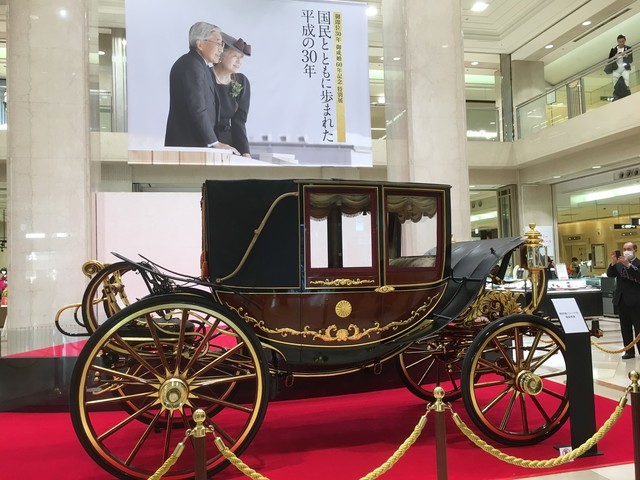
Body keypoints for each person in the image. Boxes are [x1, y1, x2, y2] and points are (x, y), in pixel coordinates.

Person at [164, 22, 239, 153]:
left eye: (222, 45)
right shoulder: (191, 65)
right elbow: (197, 107)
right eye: (218, 43)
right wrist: (214, 142)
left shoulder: (200, 65)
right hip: (188, 145)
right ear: (200, 44)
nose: (221, 49)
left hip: (195, 145)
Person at [213, 33, 252, 157]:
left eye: (241, 57)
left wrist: (245, 152)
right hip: (205, 142)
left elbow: (239, 121)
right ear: (221, 54)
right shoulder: (205, 76)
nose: (239, 61)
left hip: (228, 145)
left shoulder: (241, 81)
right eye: (235, 56)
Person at [607, 242, 640, 359]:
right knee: (625, 328)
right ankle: (629, 351)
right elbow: (610, 274)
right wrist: (613, 262)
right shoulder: (619, 264)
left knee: (638, 327)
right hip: (622, 300)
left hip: (636, 301)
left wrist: (629, 265)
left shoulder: (638, 263)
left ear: (635, 250)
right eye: (624, 249)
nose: (626, 251)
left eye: (629, 249)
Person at [608, 34, 633, 100]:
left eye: (623, 41)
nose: (621, 43)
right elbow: (609, 60)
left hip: (625, 68)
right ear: (617, 42)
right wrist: (615, 57)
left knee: (626, 81)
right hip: (616, 68)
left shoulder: (628, 48)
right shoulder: (613, 50)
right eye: (620, 42)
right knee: (615, 82)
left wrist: (625, 55)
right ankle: (617, 96)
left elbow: (631, 60)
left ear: (625, 41)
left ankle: (626, 94)